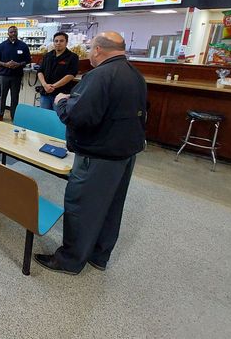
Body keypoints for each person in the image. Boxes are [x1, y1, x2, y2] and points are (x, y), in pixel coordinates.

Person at [34, 32, 147, 275]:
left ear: (97, 50)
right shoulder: (135, 74)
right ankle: (99, 255)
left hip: (98, 156)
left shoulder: (100, 76)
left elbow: (77, 116)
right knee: (110, 207)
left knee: (81, 207)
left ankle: (70, 260)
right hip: (125, 154)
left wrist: (61, 101)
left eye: (90, 49)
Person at [0, 25, 31, 121]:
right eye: (11, 32)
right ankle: (0, 114)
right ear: (8, 33)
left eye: (15, 32)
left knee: (15, 97)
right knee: (2, 96)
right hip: (4, 75)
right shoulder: (2, 45)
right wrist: (5, 64)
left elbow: (28, 60)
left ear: (17, 33)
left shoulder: (23, 45)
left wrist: (18, 64)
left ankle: (14, 116)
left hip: (17, 76)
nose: (13, 33)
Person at [37, 32, 79, 110]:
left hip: (61, 95)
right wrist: (45, 85)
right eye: (56, 41)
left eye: (61, 41)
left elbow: (71, 75)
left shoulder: (72, 57)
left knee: (58, 116)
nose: (58, 43)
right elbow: (40, 71)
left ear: (66, 42)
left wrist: (53, 86)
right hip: (45, 93)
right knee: (44, 115)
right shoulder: (47, 55)